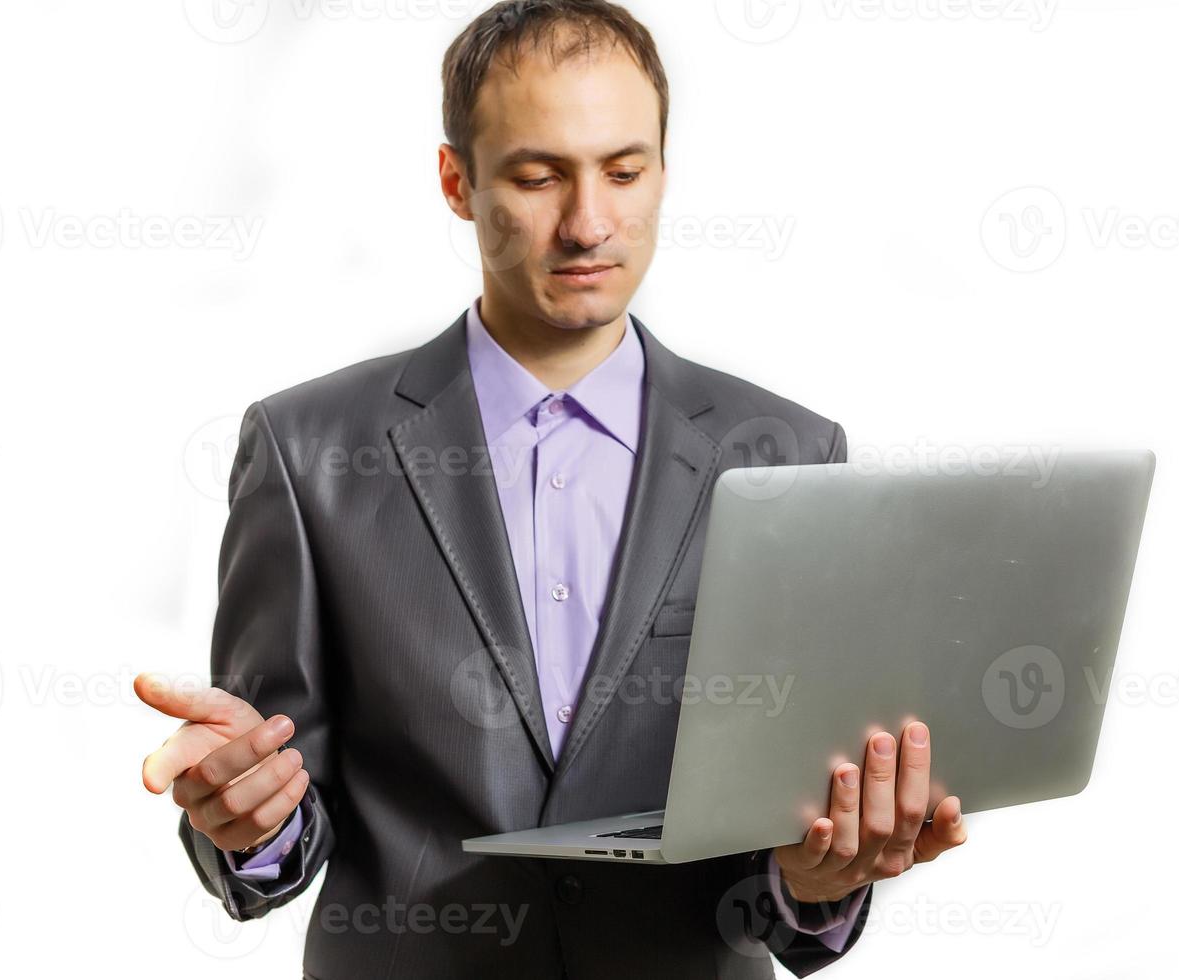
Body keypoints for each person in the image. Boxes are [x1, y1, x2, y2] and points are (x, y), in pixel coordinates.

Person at [137, 2, 967, 976]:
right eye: (538, 176)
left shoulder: (786, 453)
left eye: (624, 171)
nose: (589, 223)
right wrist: (251, 821)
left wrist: (818, 883)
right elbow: (279, 810)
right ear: (458, 181)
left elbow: (786, 844)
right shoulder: (306, 450)